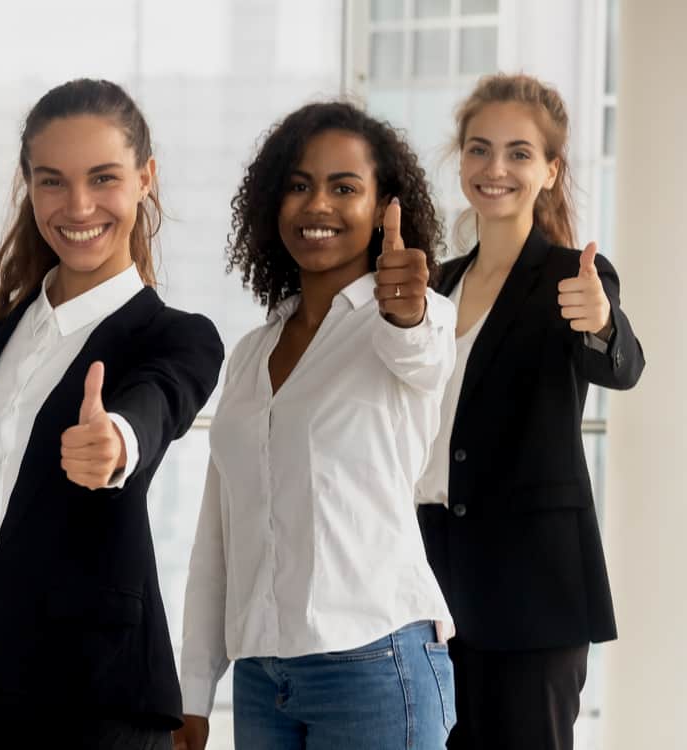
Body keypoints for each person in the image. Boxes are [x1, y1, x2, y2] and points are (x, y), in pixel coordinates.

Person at [0, 78, 224, 750]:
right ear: (29, 185)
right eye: (52, 181)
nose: (78, 205)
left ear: (146, 178)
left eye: (103, 178)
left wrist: (116, 440)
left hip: (99, 708)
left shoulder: (175, 335)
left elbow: (160, 399)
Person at [176, 102, 456, 750]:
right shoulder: (250, 353)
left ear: (386, 205)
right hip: (261, 678)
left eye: (344, 187)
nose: (317, 205)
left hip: (376, 664)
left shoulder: (409, 321)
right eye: (299, 186)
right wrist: (193, 691)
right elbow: (219, 536)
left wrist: (407, 308)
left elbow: (419, 349)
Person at [415, 73, 645, 750]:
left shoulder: (576, 275)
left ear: (550, 170)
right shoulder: (436, 284)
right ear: (461, 161)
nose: (495, 168)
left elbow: (619, 365)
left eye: (519, 153)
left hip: (531, 588)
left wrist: (601, 323)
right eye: (480, 149)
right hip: (428, 578)